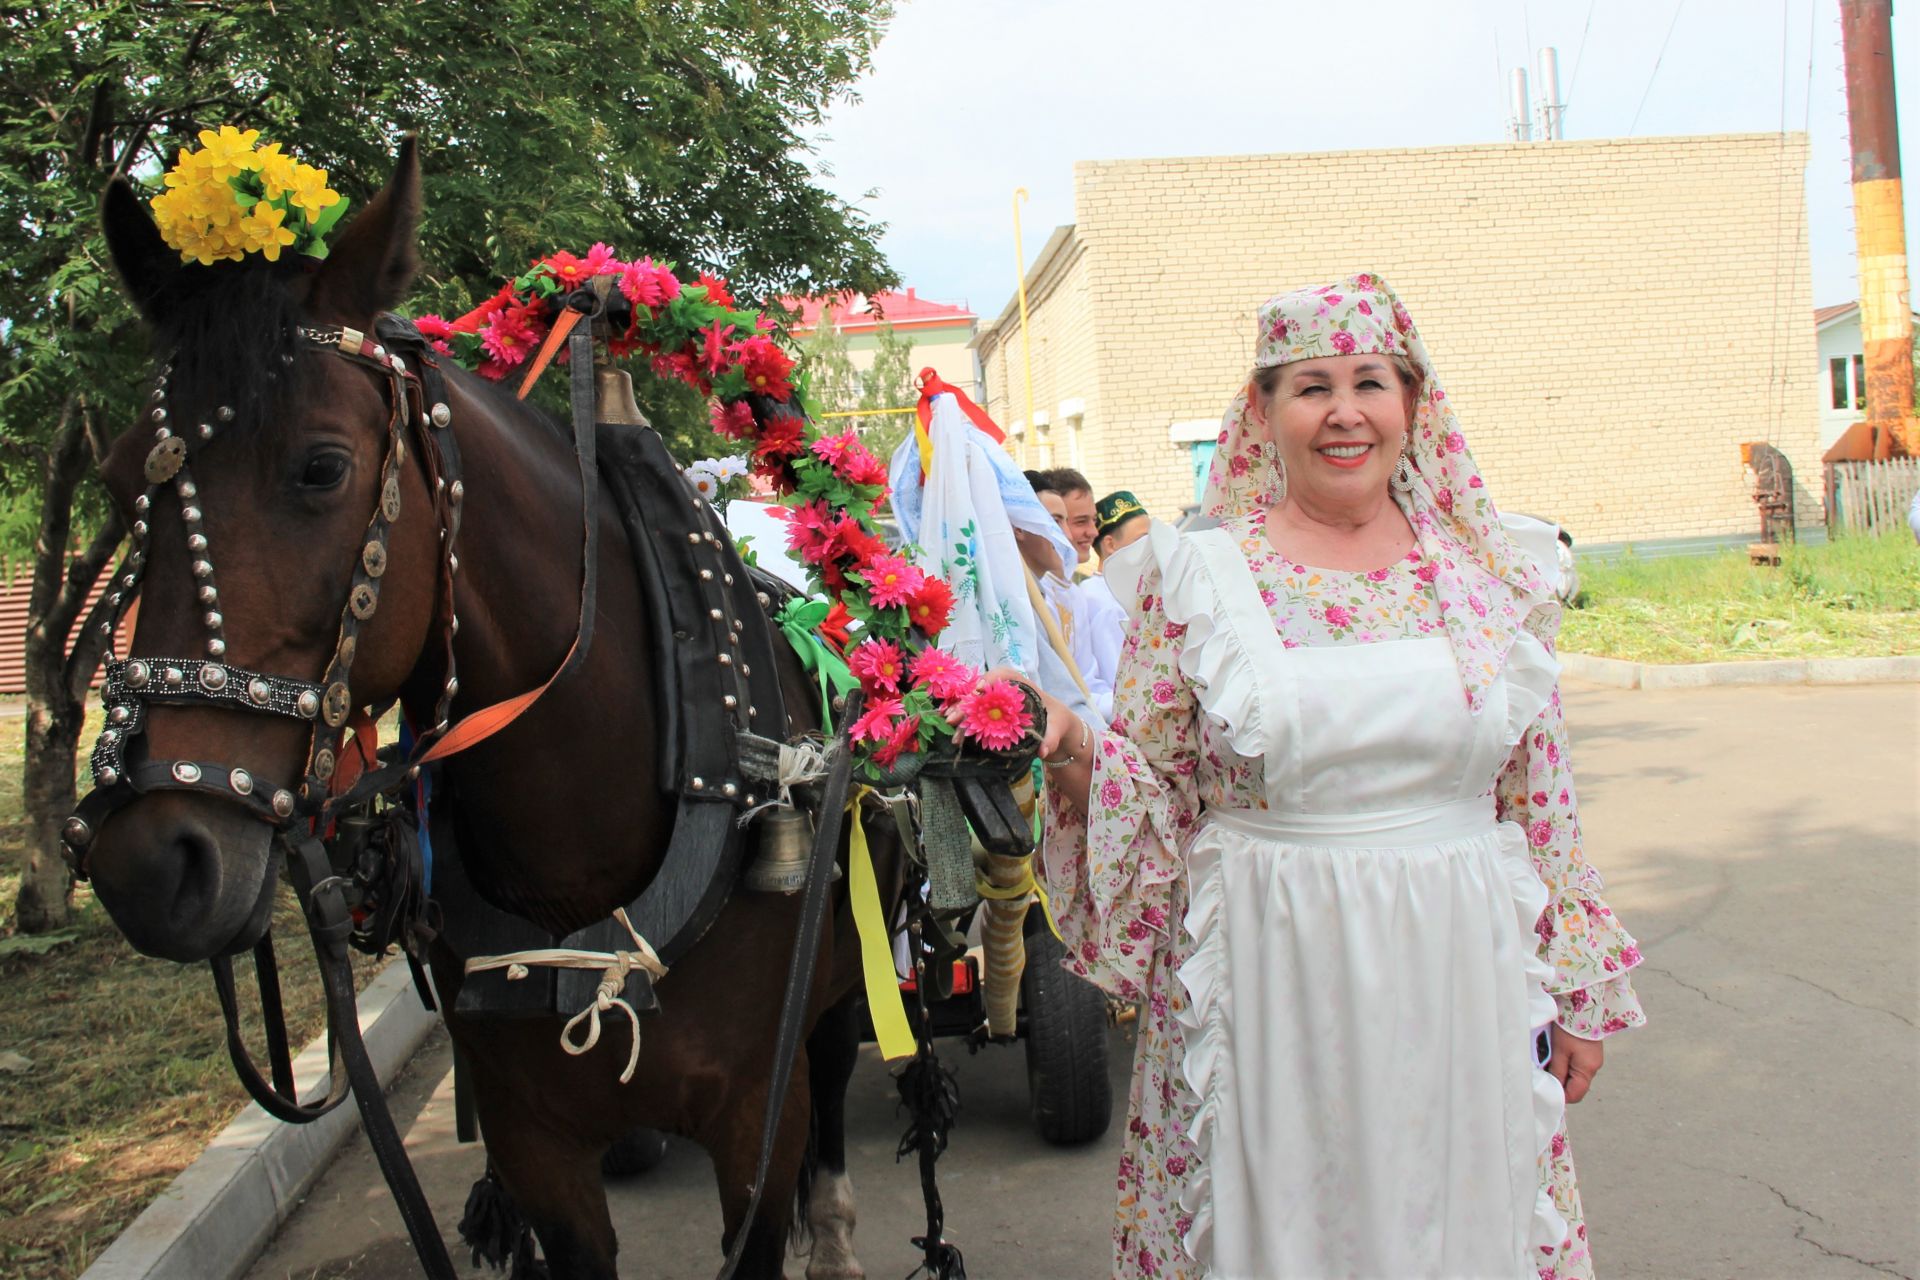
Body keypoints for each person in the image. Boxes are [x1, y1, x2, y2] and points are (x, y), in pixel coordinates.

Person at [1014, 275, 1645, 1279]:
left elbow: (1543, 800)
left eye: (1370, 382)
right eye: (1312, 386)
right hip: (1271, 973)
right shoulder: (1198, 582)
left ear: (1412, 404)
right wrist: (1071, 745)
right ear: (1263, 411)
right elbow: (1155, 790)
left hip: (1463, 970)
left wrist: (1576, 987)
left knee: (1462, 1216)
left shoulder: (1492, 575)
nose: (1345, 412)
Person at [1073, 490, 1150, 719]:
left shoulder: (1132, 590)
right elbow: (1117, 673)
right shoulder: (1098, 598)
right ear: (1110, 544)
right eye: (1142, 539)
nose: (1151, 546)